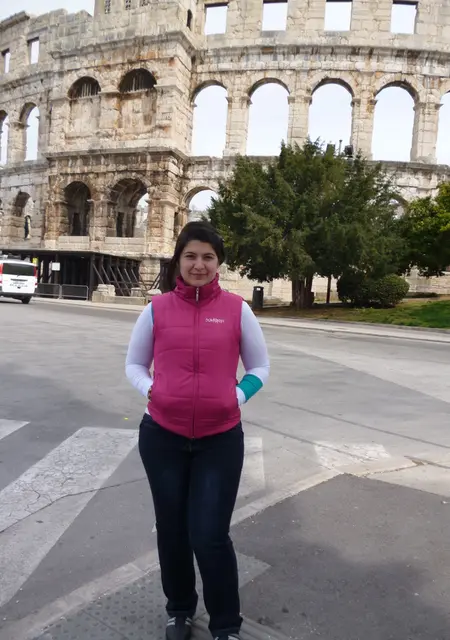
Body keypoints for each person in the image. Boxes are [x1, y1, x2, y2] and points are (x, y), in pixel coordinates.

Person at [125, 221, 270, 640]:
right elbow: (134, 364)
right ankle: (179, 610)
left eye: (208, 256)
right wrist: (153, 389)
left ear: (218, 262)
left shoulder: (237, 310)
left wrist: (236, 397)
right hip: (162, 437)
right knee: (171, 531)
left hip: (219, 440)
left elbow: (260, 367)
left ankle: (225, 624)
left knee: (209, 535)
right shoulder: (156, 310)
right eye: (191, 255)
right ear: (179, 260)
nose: (199, 264)